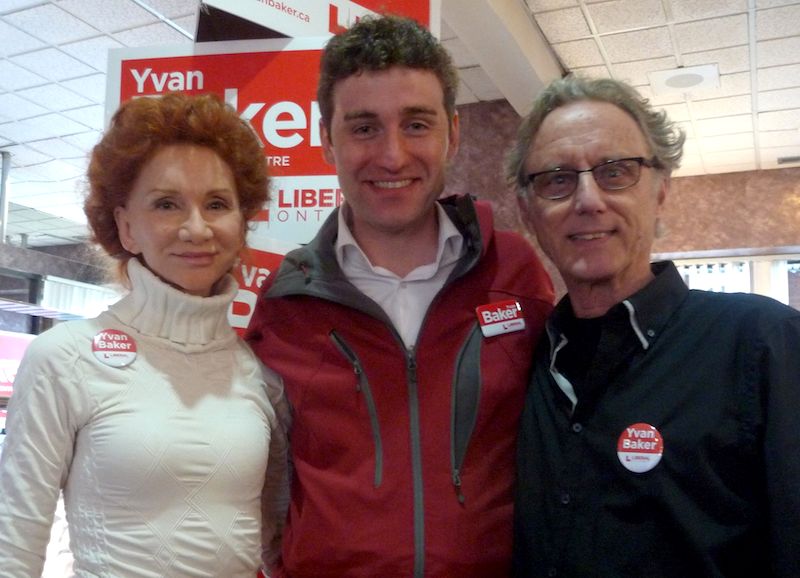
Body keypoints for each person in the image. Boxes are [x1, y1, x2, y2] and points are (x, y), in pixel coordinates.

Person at [245, 14, 554, 578]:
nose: (391, 156)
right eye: (364, 128)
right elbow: (265, 481)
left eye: (416, 124)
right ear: (326, 140)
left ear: (452, 134)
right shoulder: (286, 302)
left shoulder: (516, 274)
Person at [507, 74, 800, 577]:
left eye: (615, 172)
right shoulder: (523, 363)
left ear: (661, 188)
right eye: (557, 179)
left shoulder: (761, 343)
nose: (587, 200)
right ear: (528, 211)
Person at [0, 92, 289, 577]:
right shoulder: (64, 359)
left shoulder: (259, 376)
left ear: (242, 224)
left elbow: (277, 542)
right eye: (167, 204)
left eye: (217, 203)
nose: (197, 229)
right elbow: (14, 543)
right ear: (126, 226)